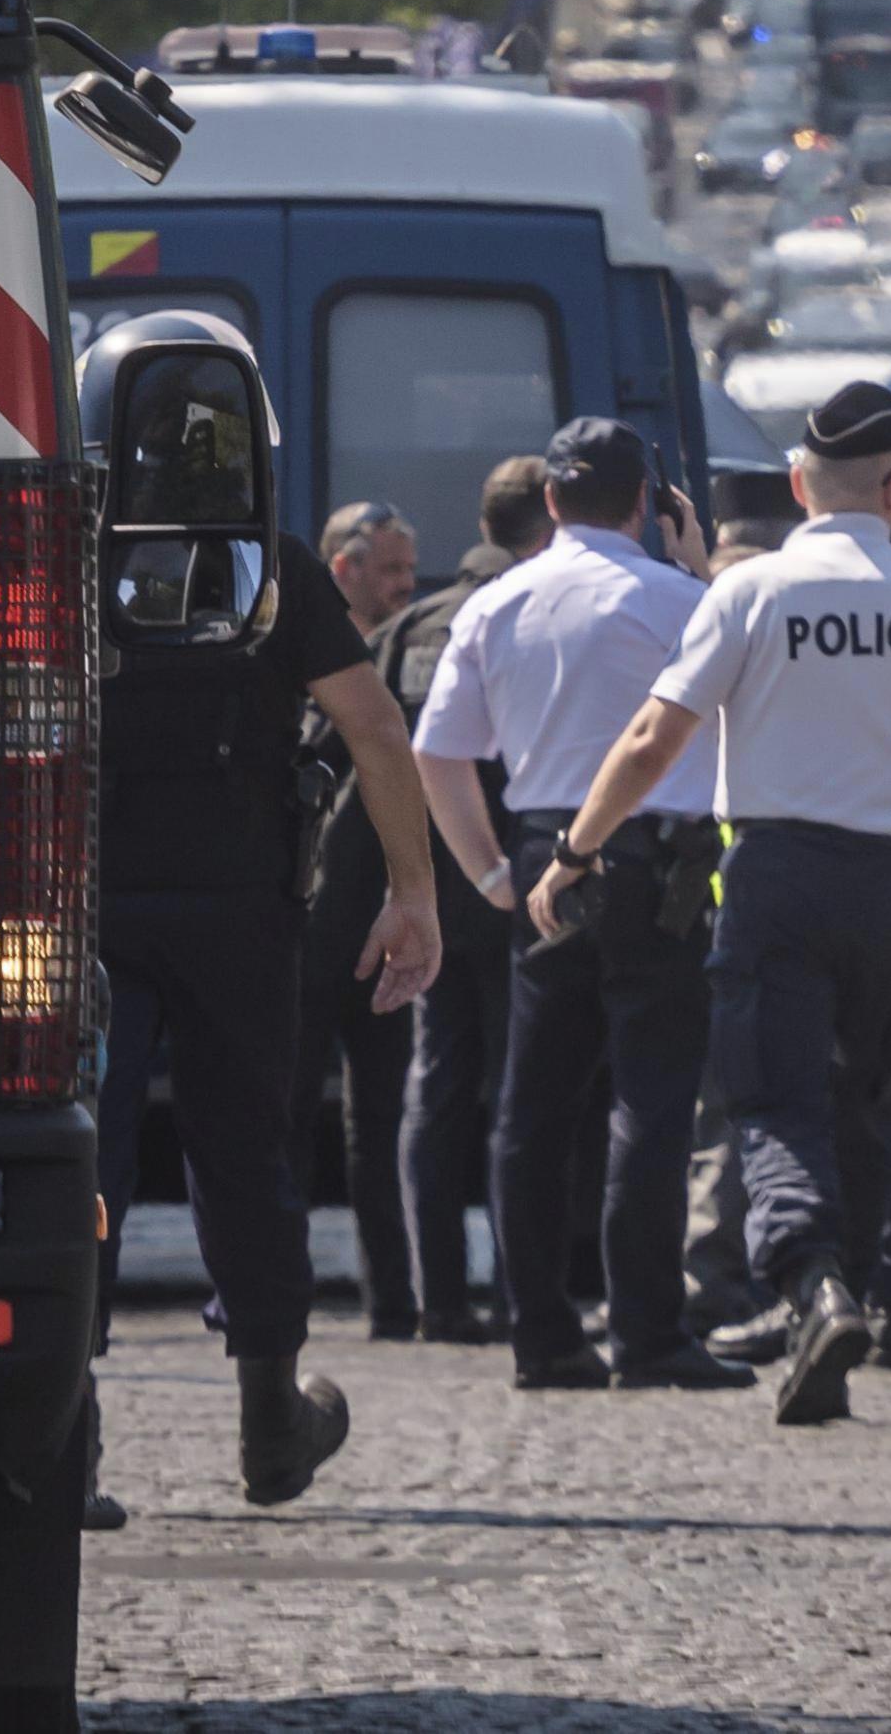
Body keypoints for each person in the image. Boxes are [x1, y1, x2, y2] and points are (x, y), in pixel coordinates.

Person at [537, 379, 891, 1428]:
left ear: (797, 485)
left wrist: (575, 850)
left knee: (775, 1103)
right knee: (865, 1106)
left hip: (778, 877)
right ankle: (849, 1297)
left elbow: (655, 737)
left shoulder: (752, 593)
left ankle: (812, 1285)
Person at [91, 317, 447, 1512]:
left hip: (77, 903)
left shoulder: (55, 554)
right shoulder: (273, 566)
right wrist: (411, 894)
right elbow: (374, 727)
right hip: (241, 913)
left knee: (71, 1155)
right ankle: (268, 1426)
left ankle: (58, 1436)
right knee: (246, 1151)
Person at [408, 421, 751, 1396]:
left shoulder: (495, 604)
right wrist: (697, 569)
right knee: (650, 1099)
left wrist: (487, 875)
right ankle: (646, 1330)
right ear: (643, 500)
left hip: (539, 847)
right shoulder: (678, 598)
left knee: (533, 1106)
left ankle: (542, 1334)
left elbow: (439, 753)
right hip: (660, 854)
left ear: (550, 501)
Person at [388, 456, 550, 1341]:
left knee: (437, 1086)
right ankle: (524, 1291)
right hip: (517, 881)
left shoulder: (417, 622)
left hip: (431, 886)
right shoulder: (530, 613)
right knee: (523, 1095)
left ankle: (436, 1297)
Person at [305, 501, 430, 1339]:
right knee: (282, 1110)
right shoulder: (308, 656)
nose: (408, 585)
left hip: (381, 925)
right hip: (315, 926)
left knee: (377, 1119)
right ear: (344, 569)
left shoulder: (395, 649)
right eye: (391, 570)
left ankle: (392, 1298)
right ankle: (265, 1292)